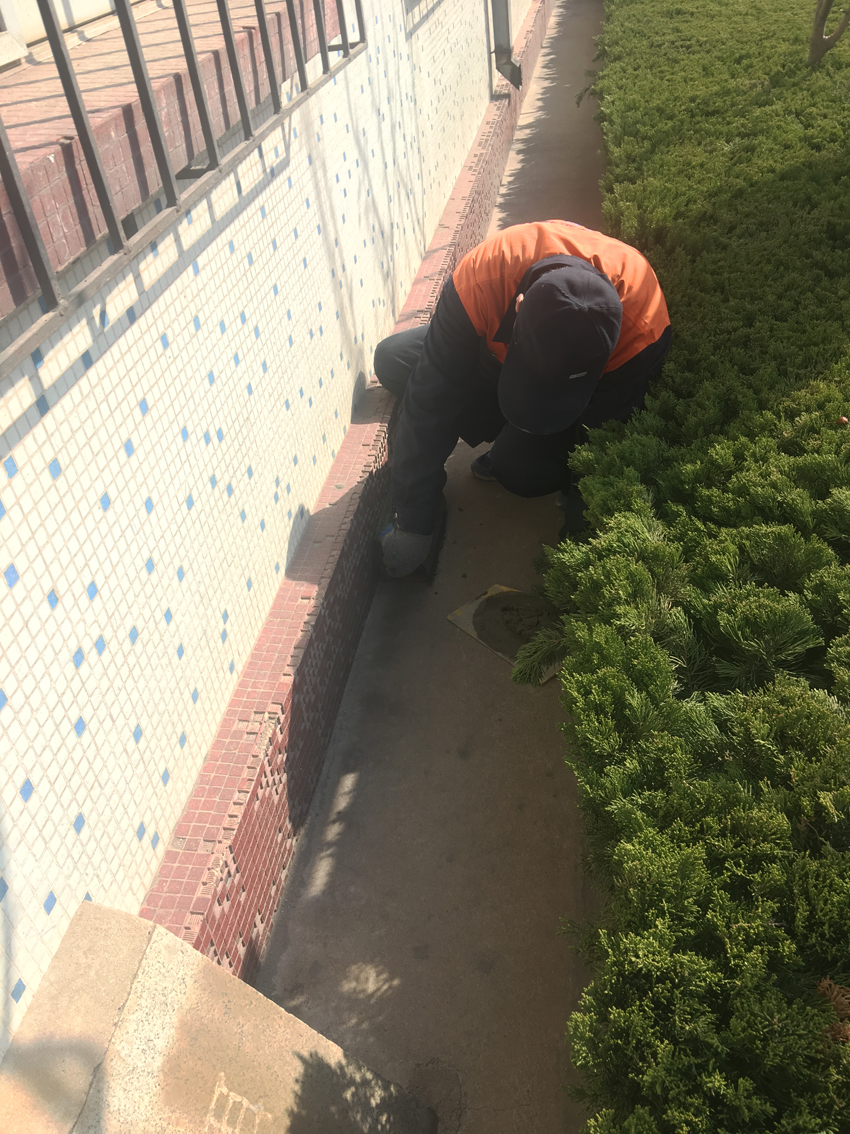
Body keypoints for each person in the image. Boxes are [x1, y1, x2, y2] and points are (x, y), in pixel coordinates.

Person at [374, 220, 671, 577]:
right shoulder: (482, 277)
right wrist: (413, 521)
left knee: (520, 471)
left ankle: (520, 447)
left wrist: (579, 549)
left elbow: (602, 447)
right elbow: (431, 396)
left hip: (580, 401)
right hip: (491, 355)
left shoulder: (642, 328)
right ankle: (507, 427)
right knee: (394, 360)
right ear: (519, 305)